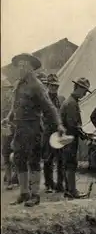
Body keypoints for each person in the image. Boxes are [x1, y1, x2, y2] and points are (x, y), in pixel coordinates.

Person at [2, 53, 65, 207]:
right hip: (19, 127)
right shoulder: (18, 85)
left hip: (33, 127)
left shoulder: (37, 85)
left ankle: (35, 195)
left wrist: (59, 124)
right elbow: (15, 106)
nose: (21, 68)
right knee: (18, 158)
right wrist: (9, 117)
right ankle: (24, 193)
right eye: (19, 65)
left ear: (31, 68)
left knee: (33, 160)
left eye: (24, 65)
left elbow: (49, 107)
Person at [59, 77, 92, 199]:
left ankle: (69, 190)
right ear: (78, 88)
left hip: (67, 137)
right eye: (84, 91)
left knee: (68, 164)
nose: (84, 94)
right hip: (69, 137)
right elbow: (73, 124)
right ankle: (72, 191)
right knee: (71, 164)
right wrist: (84, 135)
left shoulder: (71, 101)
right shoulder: (71, 103)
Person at [41, 74, 66, 193]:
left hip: (59, 132)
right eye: (52, 86)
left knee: (60, 159)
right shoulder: (44, 99)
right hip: (48, 131)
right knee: (48, 159)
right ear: (48, 86)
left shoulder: (61, 99)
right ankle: (48, 184)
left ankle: (60, 184)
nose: (54, 88)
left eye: (56, 86)